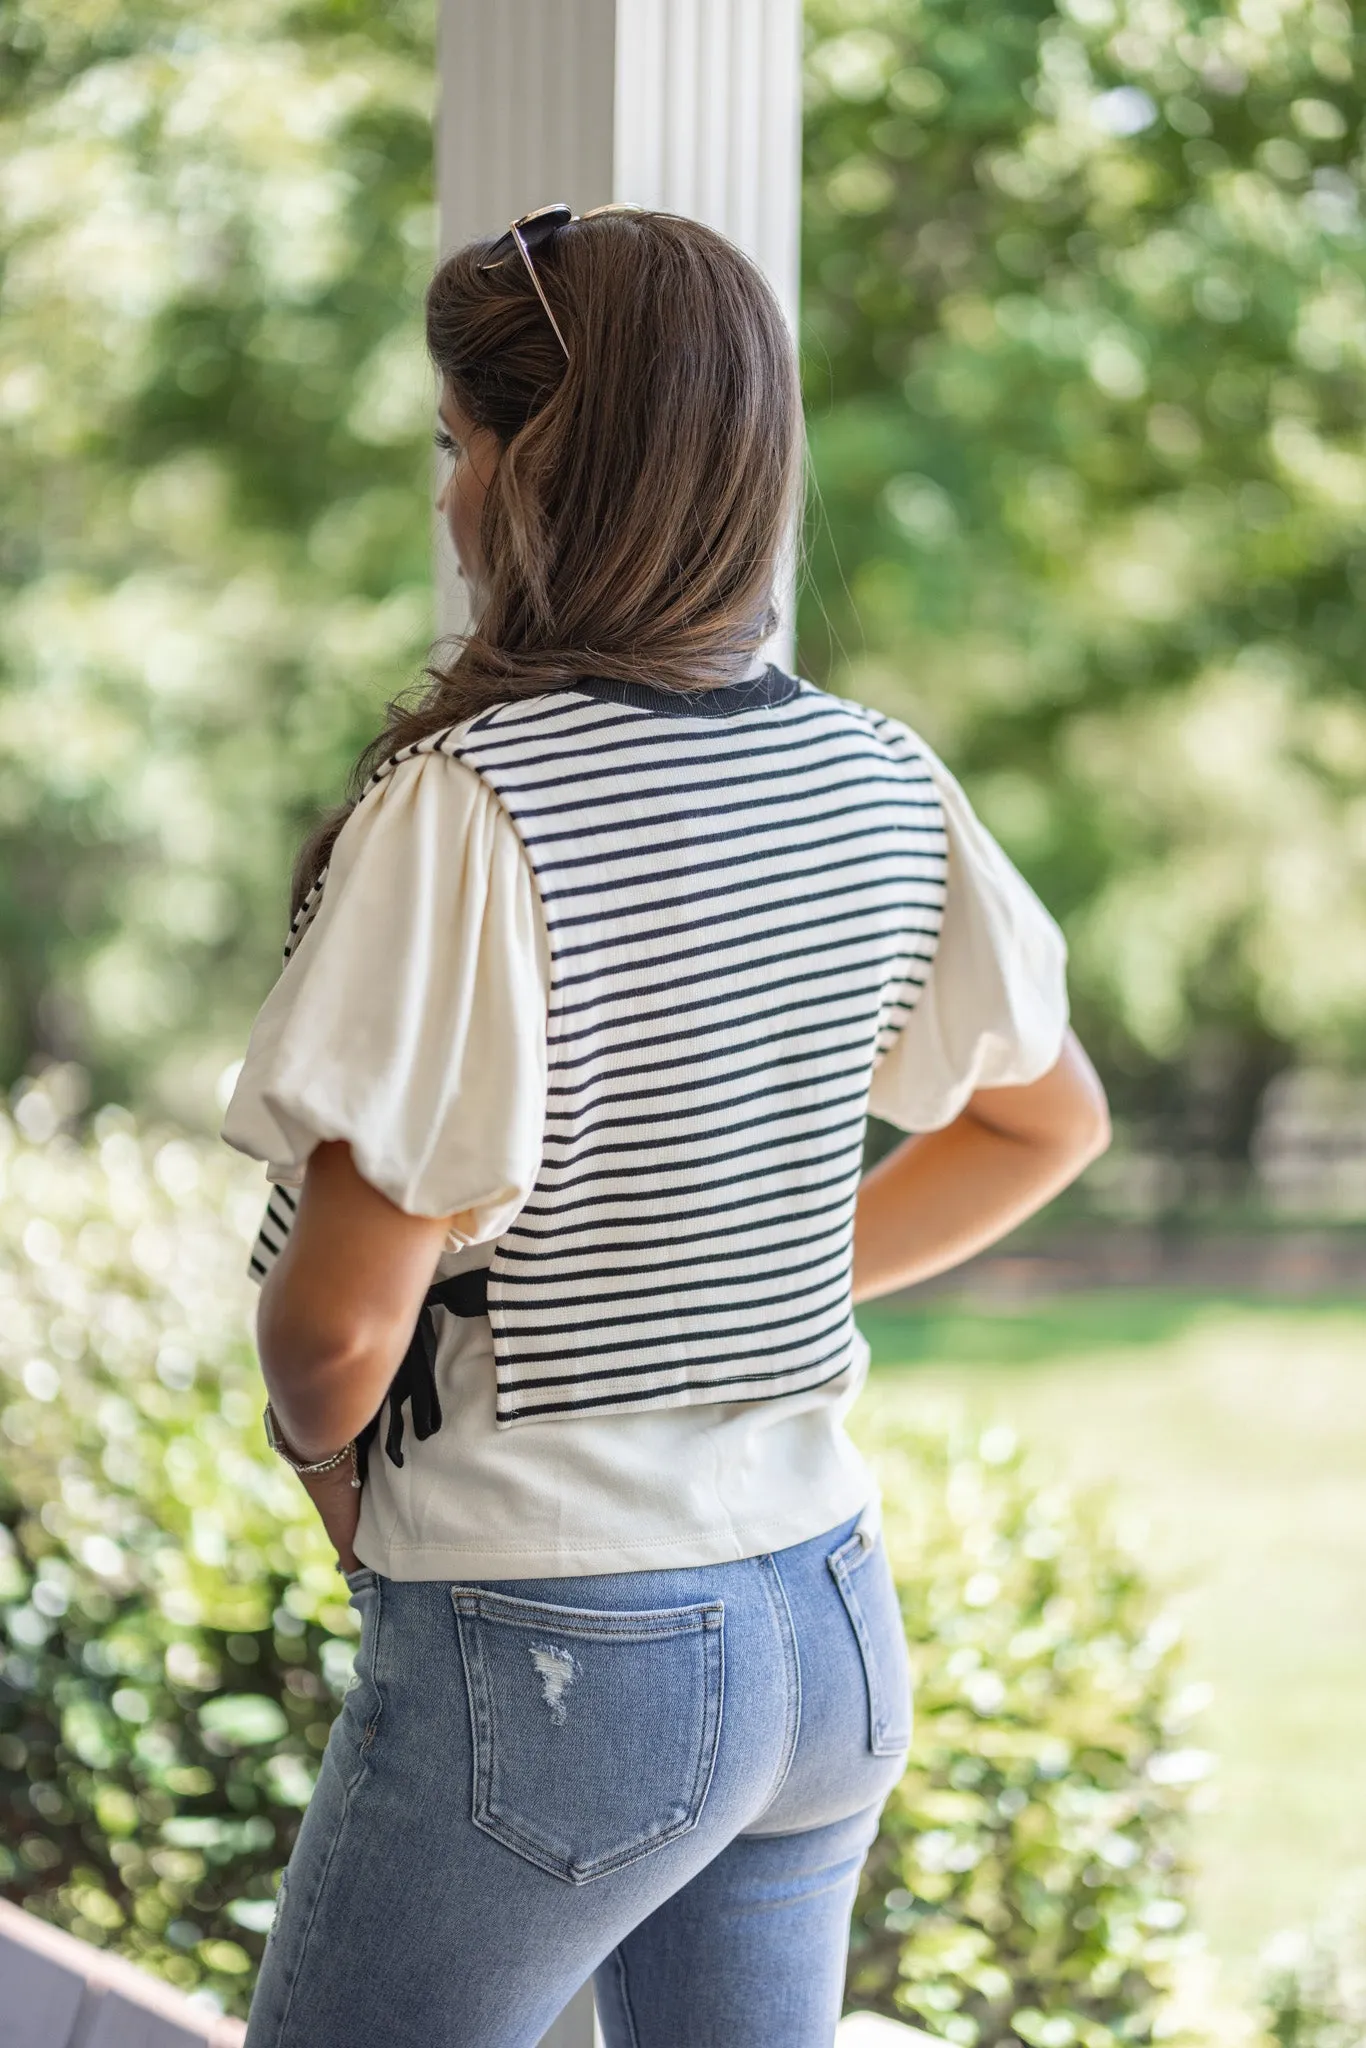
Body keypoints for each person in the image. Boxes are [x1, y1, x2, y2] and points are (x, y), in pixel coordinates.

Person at [221, 203, 1109, 2048]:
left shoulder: (473, 808)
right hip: (828, 1627)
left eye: (458, 445)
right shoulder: (876, 775)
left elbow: (333, 1331)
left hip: (559, 1645)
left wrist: (334, 1477)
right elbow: (1041, 1122)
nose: (448, 494)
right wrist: (742, 1271)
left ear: (544, 469)